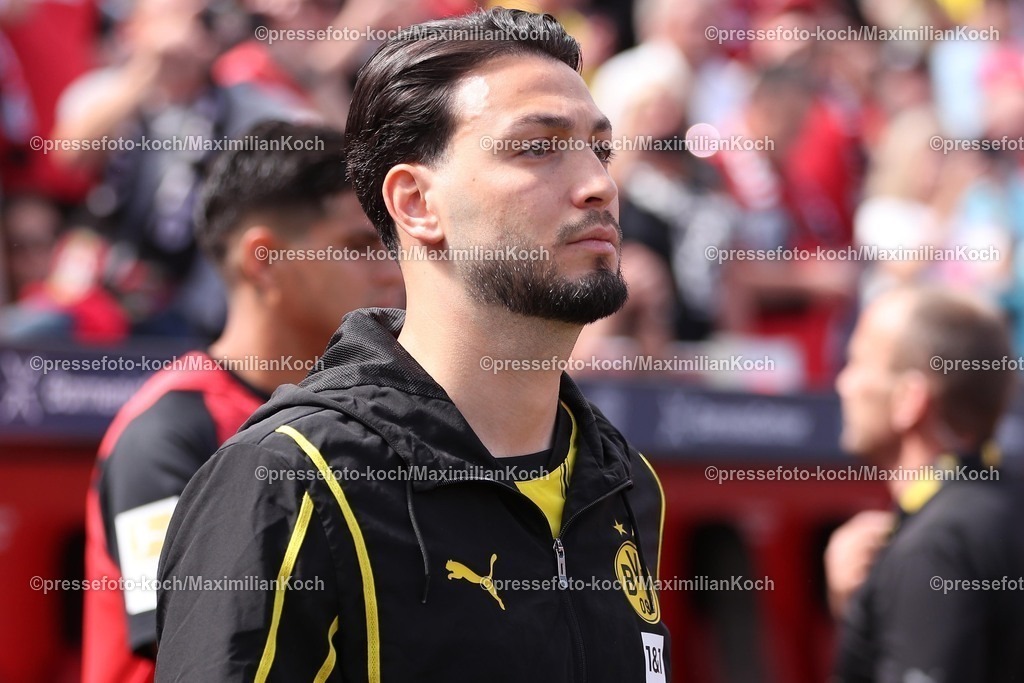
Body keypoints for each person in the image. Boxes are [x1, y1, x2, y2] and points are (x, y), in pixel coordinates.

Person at [155, 8, 670, 682]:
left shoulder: (624, 480)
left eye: (600, 147)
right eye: (538, 147)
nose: (599, 182)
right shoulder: (292, 479)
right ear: (417, 204)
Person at [82, 120, 402, 683]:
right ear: (264, 260)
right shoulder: (169, 432)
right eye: (359, 245)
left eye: (391, 244)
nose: (392, 269)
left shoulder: (375, 411)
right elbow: (195, 644)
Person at [826, 285, 1024, 682]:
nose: (842, 383)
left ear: (908, 400)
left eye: (858, 361)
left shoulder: (933, 549)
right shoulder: (1004, 504)